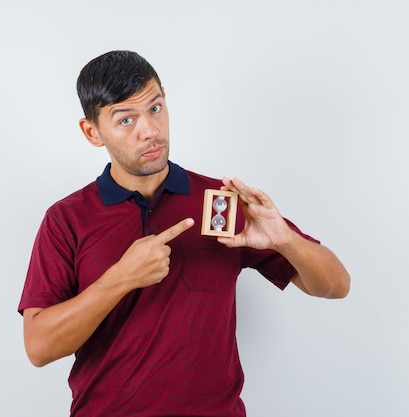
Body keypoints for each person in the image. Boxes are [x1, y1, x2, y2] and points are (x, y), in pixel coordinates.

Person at [18, 50, 350, 417]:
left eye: (155, 109)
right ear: (92, 132)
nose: (150, 131)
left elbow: (336, 286)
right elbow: (38, 347)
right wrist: (120, 279)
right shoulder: (66, 219)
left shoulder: (221, 201)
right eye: (126, 119)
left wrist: (286, 241)